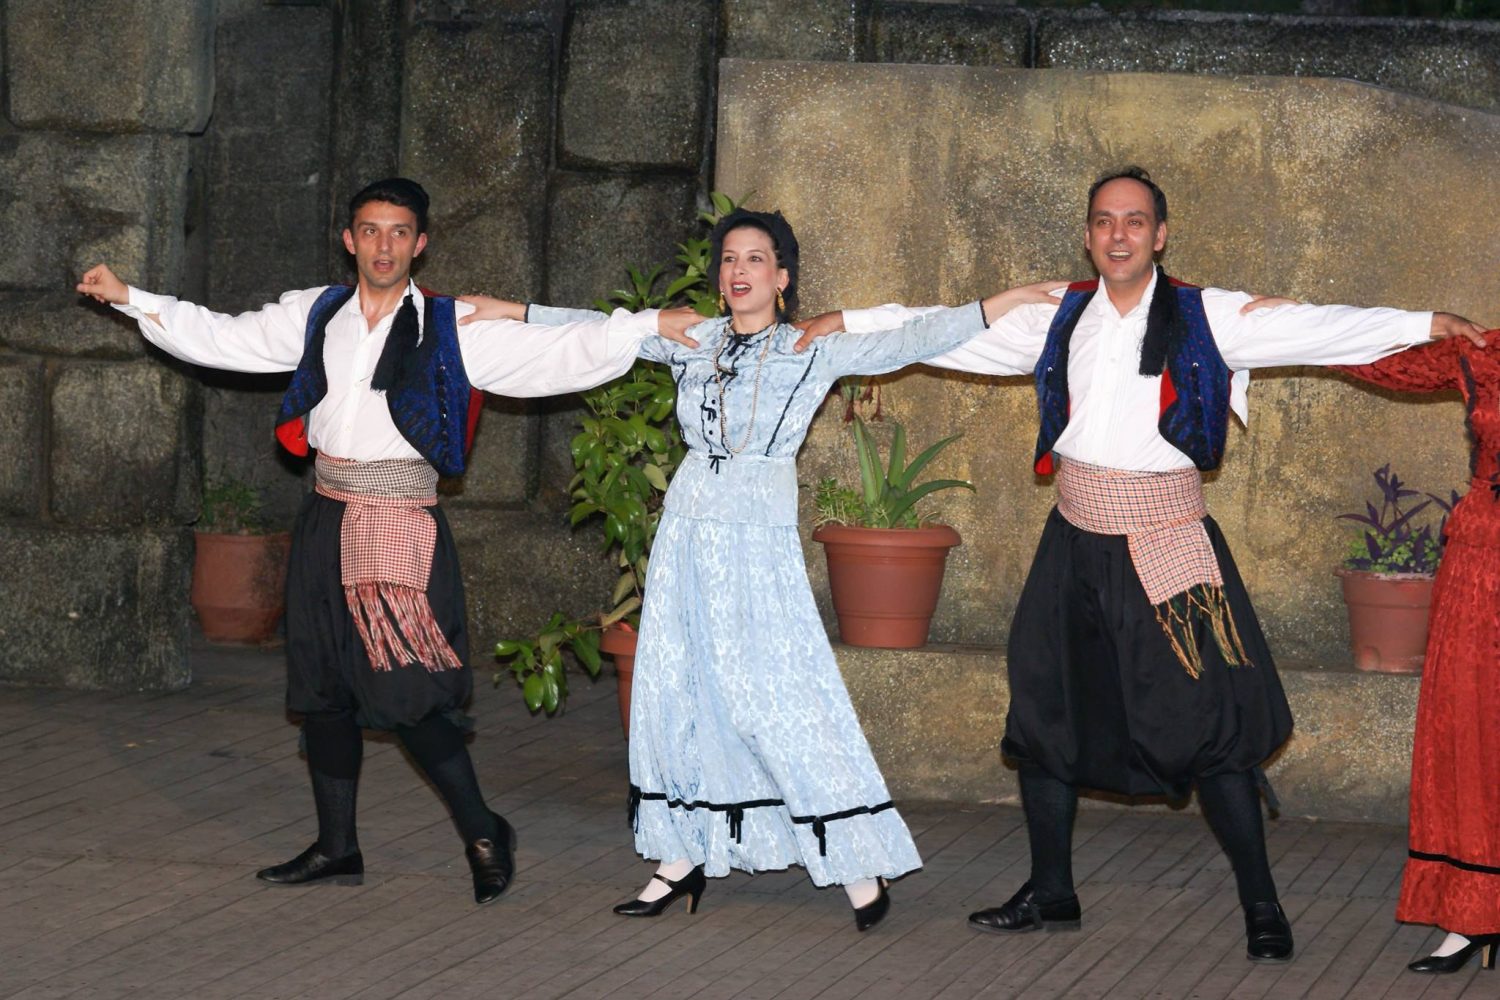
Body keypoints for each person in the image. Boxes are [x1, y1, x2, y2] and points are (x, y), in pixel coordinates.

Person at [813, 166, 1487, 961]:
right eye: (1105, 221)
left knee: (1210, 728)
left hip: (1166, 543)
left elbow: (1313, 325)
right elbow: (941, 328)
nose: (1119, 234)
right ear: (1090, 234)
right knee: (1044, 713)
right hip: (1072, 541)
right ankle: (1051, 889)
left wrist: (1422, 322)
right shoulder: (1056, 316)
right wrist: (845, 321)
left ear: (1159, 234)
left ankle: (1263, 905)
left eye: (1135, 221)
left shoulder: (1209, 314)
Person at [76, 177, 696, 905]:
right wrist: (131, 297)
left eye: (399, 232)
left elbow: (559, 351)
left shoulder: (450, 326)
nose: (384, 245)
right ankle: (337, 847)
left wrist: (647, 323)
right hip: (325, 517)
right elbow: (224, 336)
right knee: (323, 690)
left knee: (406, 690)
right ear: (349, 239)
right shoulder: (318, 312)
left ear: (420, 243)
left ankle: (484, 829)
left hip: (397, 524)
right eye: (370, 230)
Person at [462, 208, 1059, 930]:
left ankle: (854, 860)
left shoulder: (811, 348)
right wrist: (515, 310)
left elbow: (914, 339)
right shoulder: (694, 339)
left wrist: (998, 304)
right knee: (675, 683)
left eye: (755, 259)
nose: (738, 270)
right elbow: (600, 326)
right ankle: (679, 860)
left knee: (777, 688)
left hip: (756, 531)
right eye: (729, 260)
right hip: (687, 526)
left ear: (782, 278)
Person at [1337, 338, 1500, 975]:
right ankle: (1471, 918)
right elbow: (1372, 353)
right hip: (1482, 560)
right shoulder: (1481, 354)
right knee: (1465, 725)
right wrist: (1259, 320)